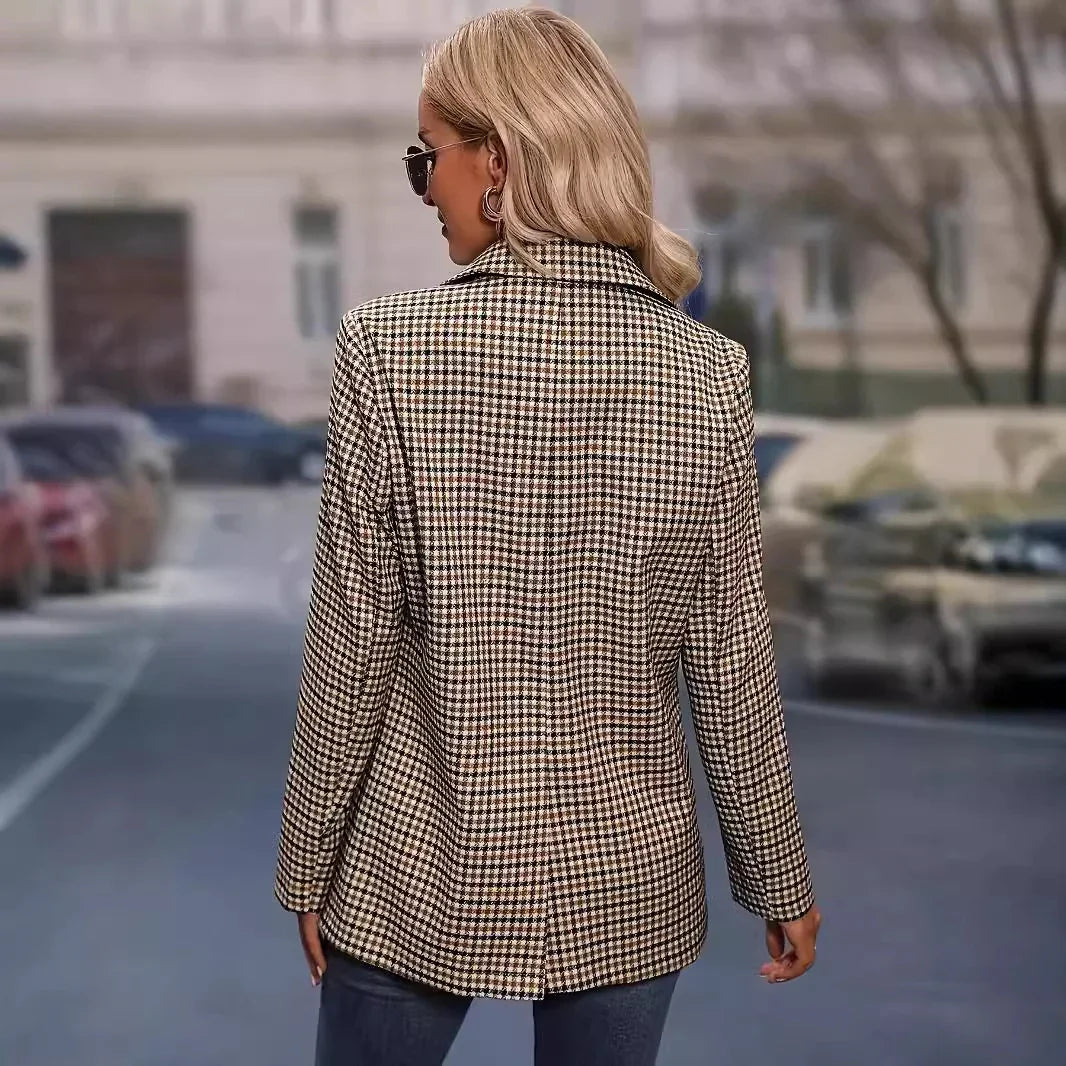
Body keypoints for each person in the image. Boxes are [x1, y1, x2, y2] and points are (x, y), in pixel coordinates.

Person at [274, 8, 821, 1065]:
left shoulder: (387, 351)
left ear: (499, 161)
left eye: (424, 157)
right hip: (627, 875)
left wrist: (307, 864)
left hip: (412, 862)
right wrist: (778, 872)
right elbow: (729, 654)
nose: (423, 186)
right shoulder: (706, 373)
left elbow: (352, 642)